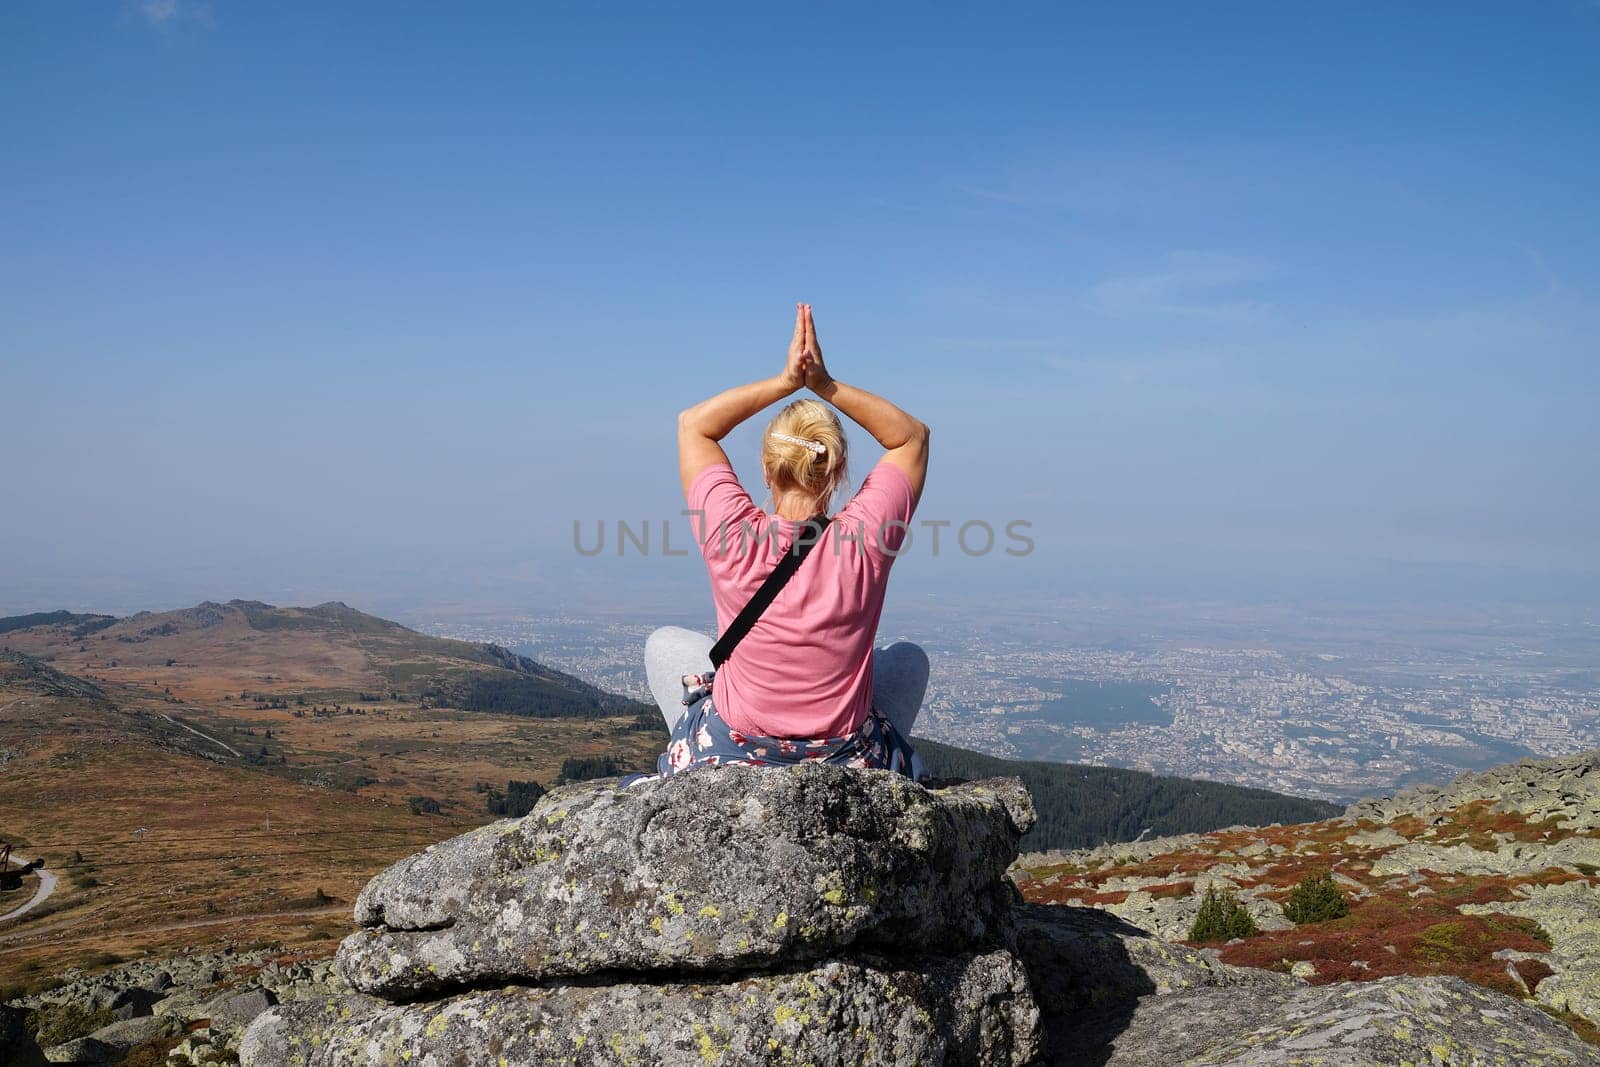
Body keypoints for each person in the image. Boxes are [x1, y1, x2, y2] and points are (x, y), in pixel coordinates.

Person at [642, 303, 932, 780]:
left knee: (666, 645)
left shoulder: (730, 532)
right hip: (842, 756)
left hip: (738, 748)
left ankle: (712, 760)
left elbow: (693, 424)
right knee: (907, 660)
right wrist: (824, 385)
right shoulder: (865, 540)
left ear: (765, 468)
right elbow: (911, 439)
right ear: (837, 471)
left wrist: (785, 382)